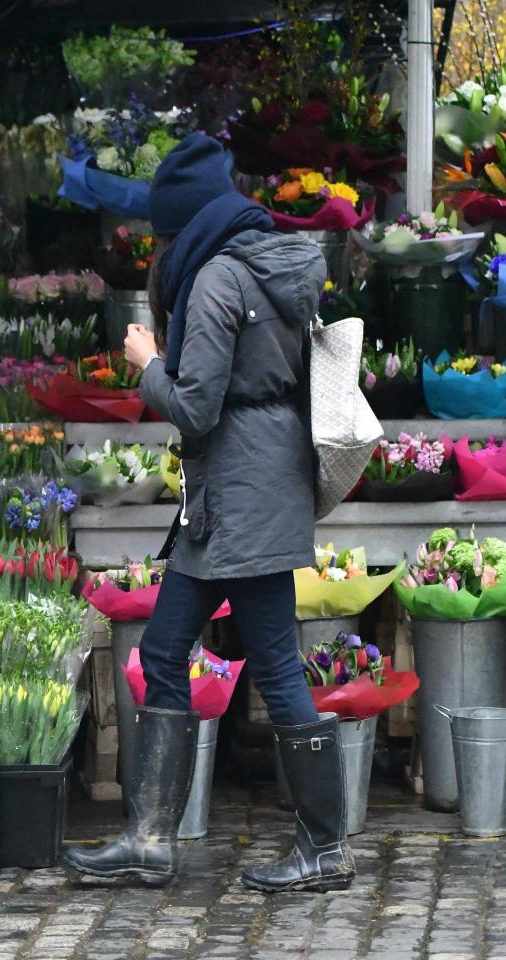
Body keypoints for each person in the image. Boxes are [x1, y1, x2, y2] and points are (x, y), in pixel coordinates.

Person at [64, 134, 354, 893]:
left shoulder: (220, 279)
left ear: (186, 224)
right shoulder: (261, 263)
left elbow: (194, 405)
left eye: (162, 232)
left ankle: (323, 849)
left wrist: (144, 363)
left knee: (277, 670)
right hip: (239, 495)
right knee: (164, 653)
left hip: (241, 497)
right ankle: (150, 840)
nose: (158, 247)